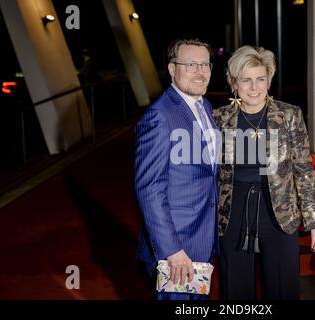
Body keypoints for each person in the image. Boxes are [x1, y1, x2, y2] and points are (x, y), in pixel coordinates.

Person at [214, 45, 315, 300]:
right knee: (235, 290)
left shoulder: (289, 115)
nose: (254, 88)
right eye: (246, 80)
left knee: (282, 288)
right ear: (235, 82)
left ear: (269, 80)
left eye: (261, 79)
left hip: (279, 212)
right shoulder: (219, 119)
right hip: (232, 212)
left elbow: (304, 170)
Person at [135, 38, 219, 300]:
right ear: (172, 69)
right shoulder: (159, 116)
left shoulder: (203, 106)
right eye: (191, 65)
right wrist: (171, 250)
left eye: (205, 64)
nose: (200, 72)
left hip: (202, 235)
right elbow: (149, 188)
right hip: (177, 245)